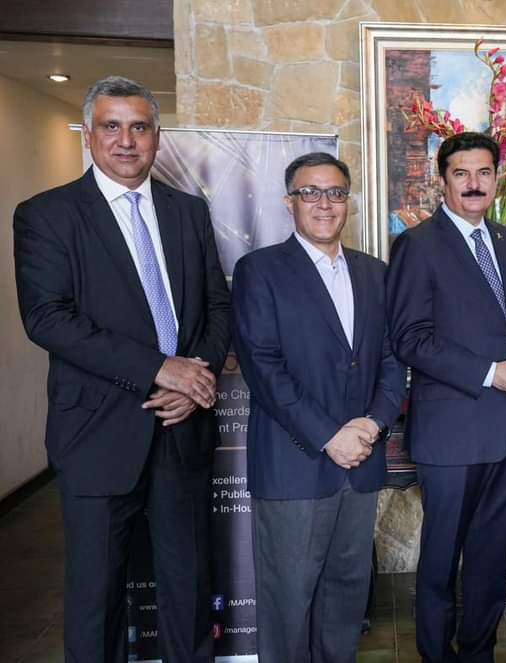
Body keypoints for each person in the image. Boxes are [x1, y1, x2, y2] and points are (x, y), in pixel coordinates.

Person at [13, 76, 230, 662]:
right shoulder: (47, 215)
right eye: (111, 126)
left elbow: (216, 306)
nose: (126, 140)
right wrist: (163, 370)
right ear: (89, 136)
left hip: (182, 430)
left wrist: (196, 379)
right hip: (98, 434)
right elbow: (48, 319)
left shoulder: (187, 212)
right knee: (97, 596)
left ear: (158, 137)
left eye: (139, 127)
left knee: (187, 588)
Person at [231, 152, 406, 663]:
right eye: (310, 192)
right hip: (296, 465)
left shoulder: (376, 273)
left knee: (345, 599)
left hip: (360, 464)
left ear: (347, 202)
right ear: (289, 202)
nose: (324, 203)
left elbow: (393, 360)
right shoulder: (259, 271)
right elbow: (263, 368)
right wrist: (331, 435)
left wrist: (372, 424)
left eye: (335, 193)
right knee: (288, 606)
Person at [386, 131, 506, 663]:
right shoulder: (417, 244)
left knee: (493, 560)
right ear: (442, 179)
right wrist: (490, 373)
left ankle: (479, 654)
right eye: (461, 173)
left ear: (497, 177)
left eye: (484, 172)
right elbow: (409, 338)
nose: (474, 184)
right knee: (442, 560)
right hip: (451, 432)